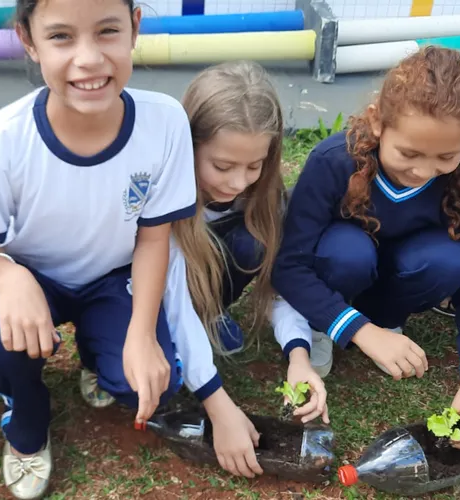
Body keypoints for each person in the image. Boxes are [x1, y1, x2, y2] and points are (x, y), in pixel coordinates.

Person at [0, 0, 196, 497]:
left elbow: (154, 236)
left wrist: (142, 334)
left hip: (113, 276)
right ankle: (27, 418)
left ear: (134, 27)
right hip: (33, 280)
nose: (88, 59)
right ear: (28, 40)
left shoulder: (165, 122)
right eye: (61, 36)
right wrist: (9, 277)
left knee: (151, 380)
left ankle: (95, 351)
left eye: (107, 31)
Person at [272, 46, 460, 450]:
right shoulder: (332, 162)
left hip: (397, 280)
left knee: (450, 260)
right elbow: (288, 266)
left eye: (446, 155)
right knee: (347, 251)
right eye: (409, 153)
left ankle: (387, 321)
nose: (424, 170)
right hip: (341, 273)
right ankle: (324, 325)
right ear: (377, 121)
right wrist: (360, 331)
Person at [163, 61, 329, 479]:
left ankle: (212, 314)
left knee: (251, 241)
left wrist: (299, 356)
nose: (239, 182)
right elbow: (172, 301)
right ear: (188, 145)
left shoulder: (264, 201)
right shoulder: (162, 200)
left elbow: (278, 286)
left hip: (202, 291)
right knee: (156, 385)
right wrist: (218, 405)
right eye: (222, 167)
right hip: (156, 304)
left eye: (254, 166)